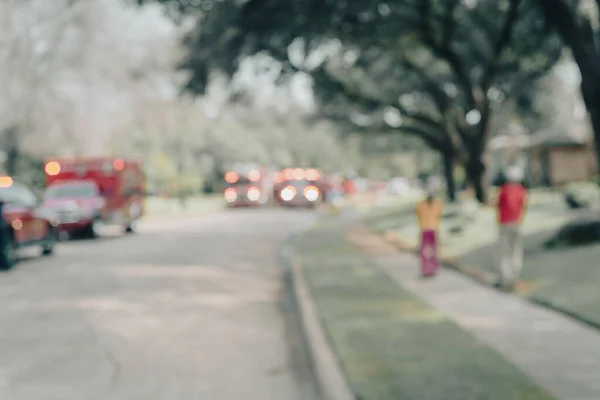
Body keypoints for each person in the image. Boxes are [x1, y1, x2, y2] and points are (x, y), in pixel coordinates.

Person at [495, 165, 528, 291]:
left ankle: (505, 279)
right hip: (517, 223)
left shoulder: (503, 190)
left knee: (504, 252)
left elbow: (497, 204)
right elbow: (523, 206)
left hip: (504, 223)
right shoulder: (521, 191)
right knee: (516, 251)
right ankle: (515, 278)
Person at [415, 188, 443, 277]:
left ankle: (432, 269)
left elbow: (437, 217)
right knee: (426, 251)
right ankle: (427, 270)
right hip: (426, 229)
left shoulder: (437, 205)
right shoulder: (421, 205)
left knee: (432, 250)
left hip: (432, 229)